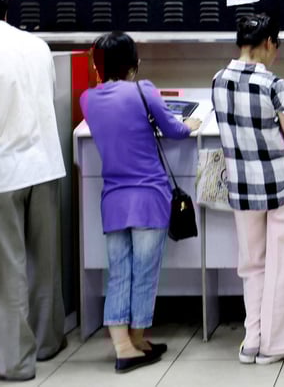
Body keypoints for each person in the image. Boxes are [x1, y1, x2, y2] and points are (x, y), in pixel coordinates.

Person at [0, 0, 67, 381]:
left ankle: (16, 363)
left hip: (1, 175)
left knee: (8, 274)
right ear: (5, 11)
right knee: (44, 265)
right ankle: (47, 342)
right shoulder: (37, 47)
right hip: (45, 167)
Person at [80, 32, 201, 373]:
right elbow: (175, 131)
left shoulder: (88, 99)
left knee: (119, 274)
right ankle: (132, 343)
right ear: (134, 63)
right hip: (149, 197)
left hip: (114, 200)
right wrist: (189, 124)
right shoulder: (142, 90)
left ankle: (128, 343)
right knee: (144, 274)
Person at [212, 15, 284, 364]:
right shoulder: (274, 85)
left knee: (252, 265)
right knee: (282, 266)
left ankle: (251, 340)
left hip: (242, 187)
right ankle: (275, 345)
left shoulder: (217, 81)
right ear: (269, 42)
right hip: (282, 184)